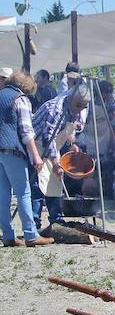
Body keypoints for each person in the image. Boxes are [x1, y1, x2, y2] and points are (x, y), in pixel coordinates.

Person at [0, 71, 55, 247]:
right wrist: (36, 156)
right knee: (24, 192)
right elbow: (26, 131)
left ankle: (8, 235)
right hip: (13, 151)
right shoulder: (20, 99)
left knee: (2, 196)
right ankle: (31, 235)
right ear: (25, 86)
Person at [30, 84, 91, 227]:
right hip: (37, 146)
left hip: (53, 147)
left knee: (54, 182)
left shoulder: (75, 110)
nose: (80, 109)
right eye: (79, 105)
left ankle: (56, 220)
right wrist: (56, 163)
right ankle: (34, 222)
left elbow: (68, 130)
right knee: (38, 184)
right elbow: (48, 137)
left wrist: (72, 144)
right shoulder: (56, 109)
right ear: (71, 99)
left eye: (84, 106)